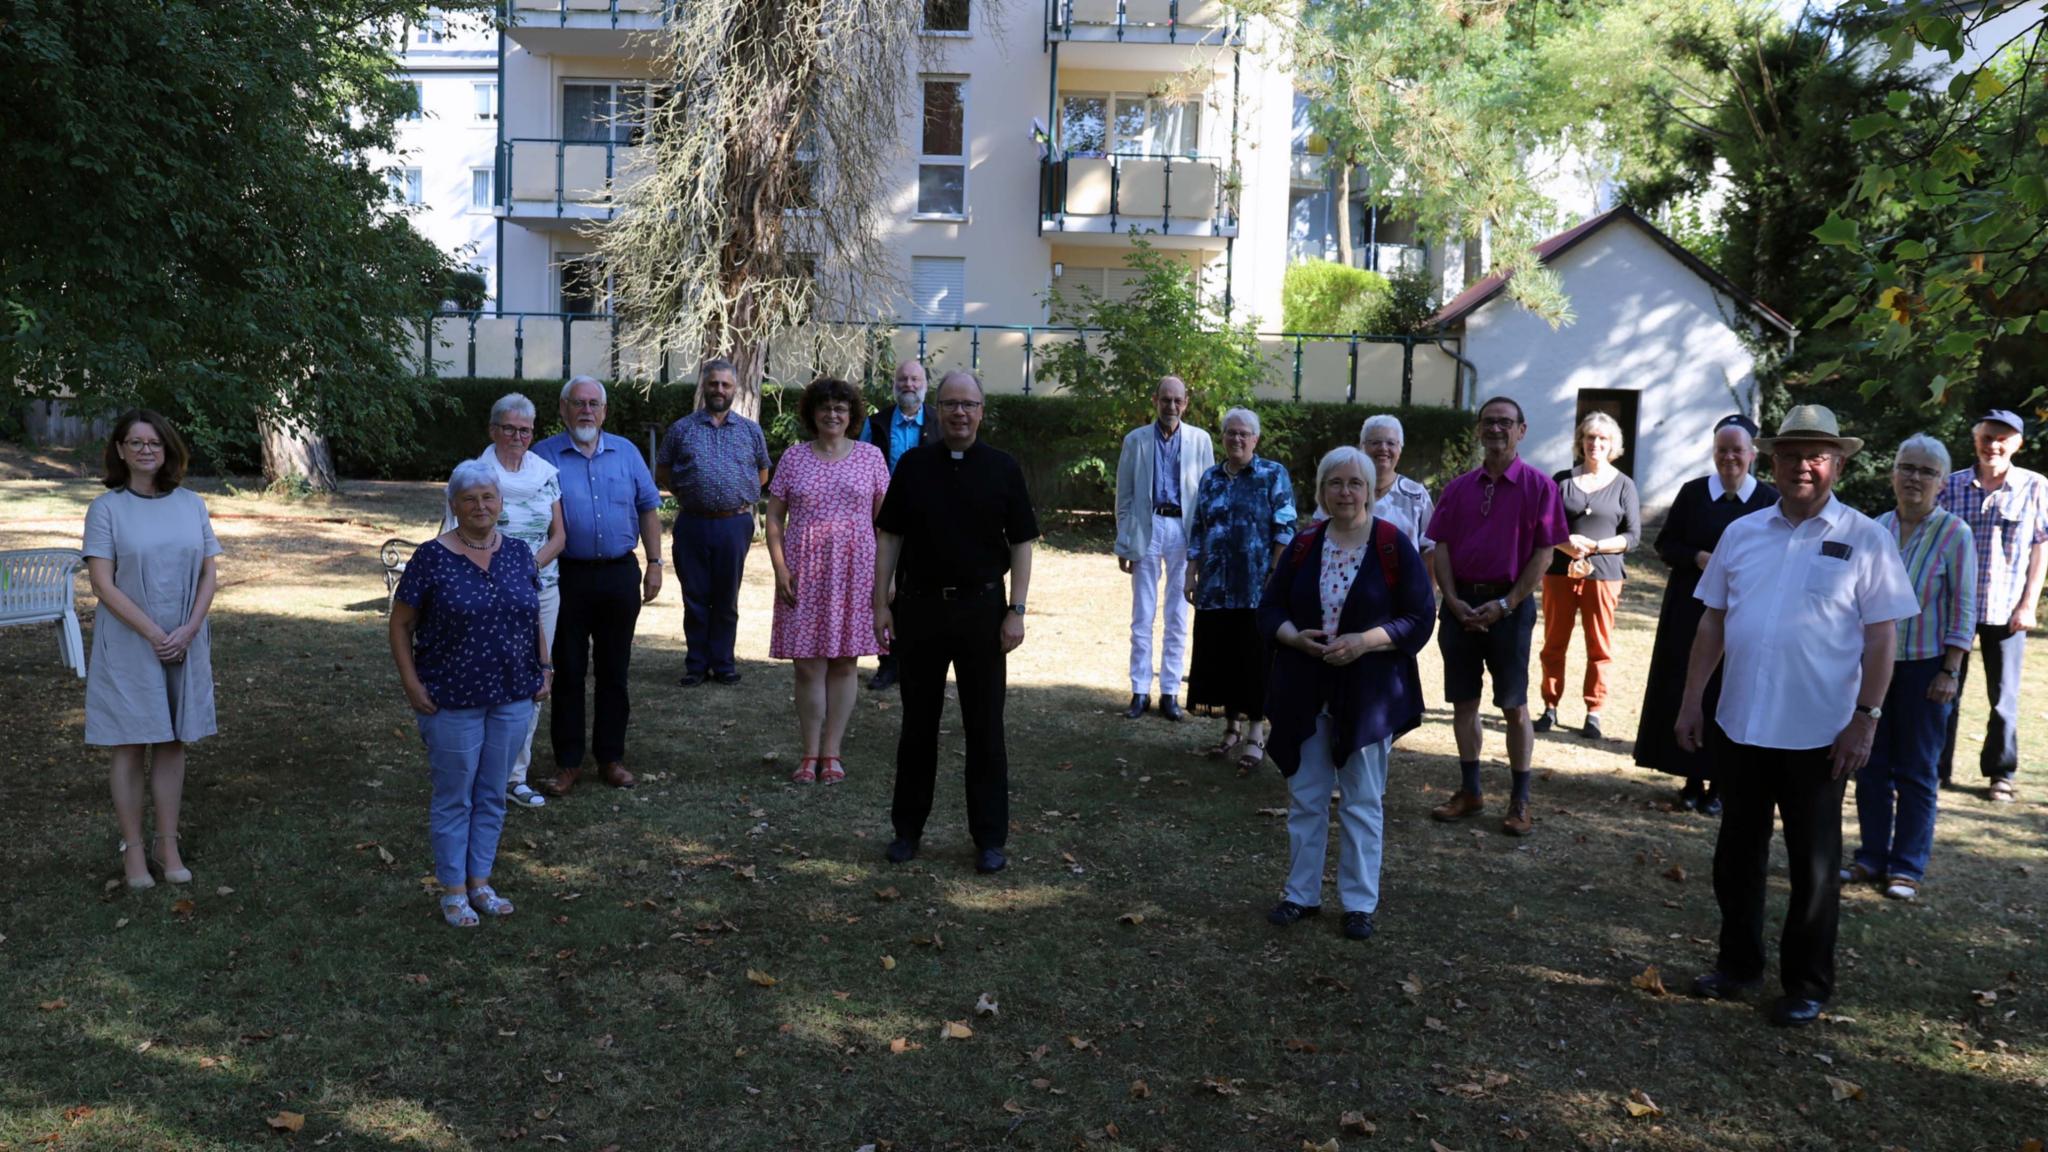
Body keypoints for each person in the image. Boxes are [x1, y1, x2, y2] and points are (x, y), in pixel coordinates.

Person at [1676, 404, 1917, 1027]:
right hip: (1741, 724)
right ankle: (1737, 966)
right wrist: (1691, 700)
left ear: (1837, 462)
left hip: (1821, 734)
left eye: (1816, 455)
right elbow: (1714, 620)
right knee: (1736, 855)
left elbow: (1881, 637)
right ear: (1771, 461)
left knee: (1813, 867)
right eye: (1790, 454)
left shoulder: (1867, 537)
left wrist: (1867, 716)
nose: (1802, 466)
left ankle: (1807, 984)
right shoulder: (1743, 532)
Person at [1258, 447, 1435, 941]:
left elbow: (1420, 617)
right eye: (1335, 483)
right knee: (1307, 796)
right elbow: (1269, 609)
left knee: (1362, 800)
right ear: (1321, 491)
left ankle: (1359, 904)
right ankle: (1300, 894)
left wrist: (1365, 642)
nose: (1346, 492)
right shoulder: (1303, 544)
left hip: (1368, 693)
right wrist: (1295, 638)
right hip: (1307, 687)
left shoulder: (1392, 545)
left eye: (1355, 483)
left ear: (1370, 490)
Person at [873, 370, 1038, 875]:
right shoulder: (913, 467)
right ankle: (907, 831)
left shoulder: (1004, 469)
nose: (959, 413)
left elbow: (1022, 543)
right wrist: (881, 602)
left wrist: (1017, 610)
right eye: (950, 405)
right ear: (936, 411)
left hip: (983, 613)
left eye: (969, 405)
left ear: (982, 411)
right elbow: (890, 539)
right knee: (917, 725)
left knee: (985, 726)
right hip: (920, 610)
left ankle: (989, 838)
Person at [388, 462, 555, 927]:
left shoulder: (520, 553)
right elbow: (400, 625)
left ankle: (480, 882)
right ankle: (453, 890)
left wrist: (545, 667)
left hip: (512, 693)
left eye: (488, 497)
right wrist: (411, 682)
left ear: (500, 502)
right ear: (454, 505)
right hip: (450, 697)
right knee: (455, 796)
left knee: (492, 794)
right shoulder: (431, 557)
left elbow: (531, 616)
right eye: (470, 499)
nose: (481, 506)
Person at [83, 410, 221, 891]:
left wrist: (188, 629)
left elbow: (209, 573)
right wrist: (153, 633)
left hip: (184, 636)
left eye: (155, 443)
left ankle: (168, 843)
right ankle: (133, 850)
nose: (146, 450)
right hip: (130, 638)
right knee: (130, 740)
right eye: (135, 442)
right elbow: (102, 583)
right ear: (120, 450)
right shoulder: (107, 508)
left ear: (168, 450)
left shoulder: (192, 504)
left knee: (171, 739)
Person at [1423, 397, 1569, 835]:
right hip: (1461, 608)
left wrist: (1506, 604)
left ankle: (1519, 801)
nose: (1496, 429)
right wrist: (1451, 600)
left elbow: (1545, 555)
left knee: (1514, 706)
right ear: (1478, 429)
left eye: (1506, 422)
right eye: (1489, 422)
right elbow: (1441, 546)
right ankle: (1470, 792)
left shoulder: (1541, 488)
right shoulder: (1457, 489)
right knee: (1463, 704)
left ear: (1521, 430)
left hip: (1510, 609)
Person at [1847, 435, 1975, 901]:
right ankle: (1870, 856)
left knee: (1918, 770)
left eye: (1926, 471)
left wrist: (1951, 670)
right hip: (1874, 667)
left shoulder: (1955, 533)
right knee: (1870, 763)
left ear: (1942, 482)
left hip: (1926, 671)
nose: (1914, 478)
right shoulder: (1874, 528)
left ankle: (1907, 867)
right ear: (1892, 474)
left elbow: (1964, 606)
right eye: (1907, 468)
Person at [1632, 415, 1778, 814]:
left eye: (1737, 450)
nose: (1729, 457)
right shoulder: (1693, 493)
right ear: (1714, 453)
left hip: (1743, 611)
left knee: (1728, 691)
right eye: (1722, 450)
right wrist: (1698, 557)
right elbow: (1665, 545)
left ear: (1752, 454)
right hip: (1690, 608)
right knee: (1690, 686)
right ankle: (1691, 779)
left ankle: (1721, 785)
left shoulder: (1768, 500)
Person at [531, 375, 663, 796]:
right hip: (565, 576)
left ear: (604, 411)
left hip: (619, 574)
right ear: (563, 409)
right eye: (577, 403)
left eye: (593, 403)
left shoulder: (626, 453)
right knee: (567, 670)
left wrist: (656, 563)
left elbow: (648, 510)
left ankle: (611, 757)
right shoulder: (543, 456)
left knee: (614, 671)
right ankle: (568, 763)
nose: (586, 410)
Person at [443, 393, 565, 808]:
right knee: (481, 677)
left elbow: (559, 536)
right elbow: (452, 534)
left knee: (531, 680)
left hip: (539, 592)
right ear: (493, 430)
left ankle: (515, 776)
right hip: (482, 596)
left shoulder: (547, 473)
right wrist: (502, 574)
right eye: (509, 429)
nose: (517, 436)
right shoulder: (475, 475)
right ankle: (478, 772)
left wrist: (524, 569)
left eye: (525, 430)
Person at [766, 378, 891, 784]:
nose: (832, 414)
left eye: (841, 408)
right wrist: (781, 568)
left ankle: (832, 752)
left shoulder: (871, 458)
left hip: (857, 571)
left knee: (844, 661)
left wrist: (887, 579)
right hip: (803, 571)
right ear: (812, 414)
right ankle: (808, 752)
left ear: (852, 415)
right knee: (807, 665)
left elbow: (887, 525)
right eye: (825, 407)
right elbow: (773, 518)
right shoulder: (793, 458)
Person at [1936, 408, 2048, 802]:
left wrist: (2028, 604)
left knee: (2004, 698)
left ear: (2018, 443)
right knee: (1945, 690)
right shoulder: (1950, 486)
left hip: (2007, 609)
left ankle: (2000, 773)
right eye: (1987, 437)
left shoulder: (2035, 486)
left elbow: (2041, 548)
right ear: (1975, 439)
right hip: (1953, 609)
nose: (1993, 446)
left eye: (2003, 439)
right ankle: (1936, 769)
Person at [1183, 407, 1297, 772]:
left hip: (1256, 587)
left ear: (1256, 439)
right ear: (1223, 437)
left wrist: (1276, 573)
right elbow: (1198, 528)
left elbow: (1285, 526)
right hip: (1216, 588)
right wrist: (1190, 573)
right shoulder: (1211, 478)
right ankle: (1230, 729)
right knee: (1223, 658)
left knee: (1254, 661)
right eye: (1230, 433)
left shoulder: (1272, 474)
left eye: (1244, 433)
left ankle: (1254, 735)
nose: (1236, 439)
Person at [657, 357, 772, 687]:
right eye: (713, 383)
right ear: (703, 386)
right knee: (694, 596)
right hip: (692, 523)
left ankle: (723, 663)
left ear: (735, 389)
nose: (719, 389)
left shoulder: (750, 431)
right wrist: (688, 492)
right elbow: (664, 470)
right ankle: (696, 664)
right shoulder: (682, 429)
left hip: (733, 525)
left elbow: (762, 472)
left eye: (725, 384)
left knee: (726, 597)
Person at [1534, 411, 1641, 740]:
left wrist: (1597, 546)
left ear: (1613, 445)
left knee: (1599, 647)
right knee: (1554, 643)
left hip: (1605, 574)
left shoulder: (1625, 485)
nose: (1595, 443)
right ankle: (1550, 707)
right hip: (1559, 571)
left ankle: (1594, 711)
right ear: (1581, 441)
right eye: (1590, 437)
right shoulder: (1561, 480)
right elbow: (1543, 525)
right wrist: (1567, 544)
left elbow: (1633, 536)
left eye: (1602, 438)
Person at [1113, 375, 1215, 721]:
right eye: (1165, 400)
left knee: (1178, 613)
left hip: (1183, 530)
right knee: (1142, 612)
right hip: (1147, 526)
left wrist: (1201, 549)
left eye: (1178, 401)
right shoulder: (1136, 441)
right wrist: (1124, 541)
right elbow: (1124, 496)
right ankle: (1140, 690)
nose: (1171, 406)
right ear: (1155, 400)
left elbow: (1207, 499)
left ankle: (1170, 691)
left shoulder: (1201, 441)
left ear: (1186, 403)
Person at [861, 359, 938, 691]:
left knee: (921, 592)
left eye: (915, 379)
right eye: (903, 379)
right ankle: (887, 663)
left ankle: (916, 663)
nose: (909, 384)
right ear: (894, 383)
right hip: (885, 521)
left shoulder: (938, 422)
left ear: (925, 384)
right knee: (886, 591)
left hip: (929, 522)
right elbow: (861, 466)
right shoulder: (875, 424)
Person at [1359, 414, 1434, 550]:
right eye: (1375, 442)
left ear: (1400, 449)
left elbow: (1430, 548)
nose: (1383, 448)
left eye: (1391, 443)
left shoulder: (1416, 495)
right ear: (1362, 447)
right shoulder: (1345, 491)